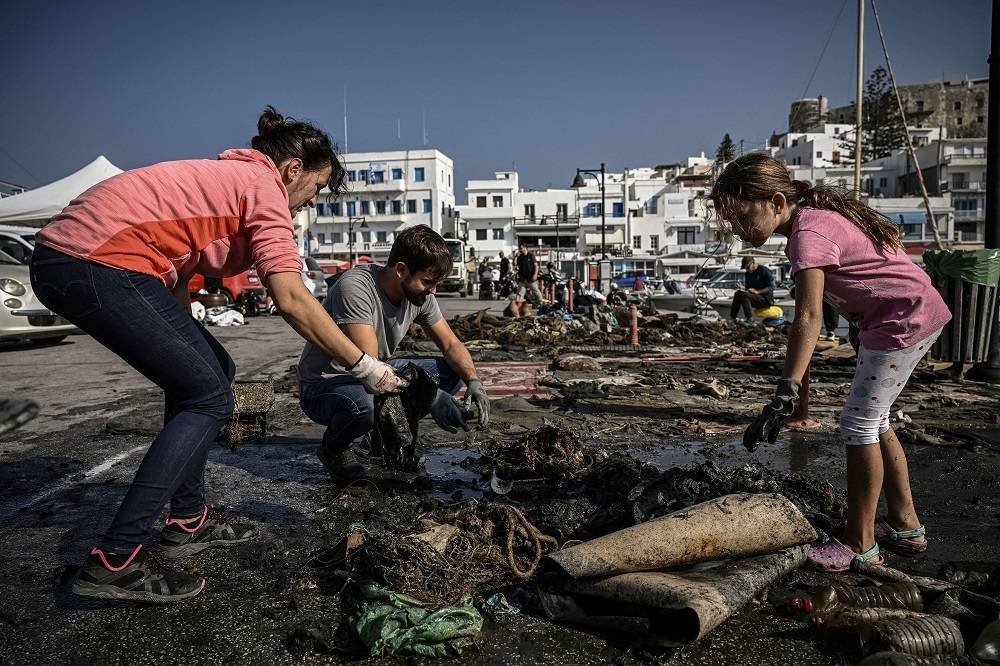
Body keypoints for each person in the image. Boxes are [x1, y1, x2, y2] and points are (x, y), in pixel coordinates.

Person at [29, 106, 406, 604]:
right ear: (292, 170)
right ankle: (115, 561)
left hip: (78, 257)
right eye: (313, 190)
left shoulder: (226, 180)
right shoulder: (263, 188)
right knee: (208, 396)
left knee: (212, 373)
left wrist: (183, 342)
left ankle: (187, 519)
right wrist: (365, 366)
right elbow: (292, 297)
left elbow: (179, 272)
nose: (308, 203)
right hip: (92, 259)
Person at [711, 154, 951, 572]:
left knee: (858, 425)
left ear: (778, 201)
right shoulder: (814, 220)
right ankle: (905, 525)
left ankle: (859, 542)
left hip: (901, 322)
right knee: (876, 421)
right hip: (907, 314)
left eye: (743, 216)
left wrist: (784, 393)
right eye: (731, 221)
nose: (737, 229)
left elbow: (807, 316)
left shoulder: (807, 233)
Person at [299, 225, 490, 482]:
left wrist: (473, 380)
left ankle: (387, 444)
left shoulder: (419, 295)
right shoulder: (356, 288)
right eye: (428, 281)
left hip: (376, 373)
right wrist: (431, 397)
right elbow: (370, 367)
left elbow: (451, 345)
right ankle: (333, 450)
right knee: (363, 405)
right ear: (401, 269)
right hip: (326, 386)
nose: (433, 290)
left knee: (450, 372)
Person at [730, 256, 774, 320]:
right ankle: (732, 317)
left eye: (748, 267)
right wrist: (742, 287)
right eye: (746, 268)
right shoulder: (747, 274)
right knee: (738, 293)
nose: (747, 270)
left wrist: (758, 292)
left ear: (753, 263)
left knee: (744, 295)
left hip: (765, 299)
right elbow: (749, 289)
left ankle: (750, 318)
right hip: (754, 297)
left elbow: (771, 287)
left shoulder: (764, 271)